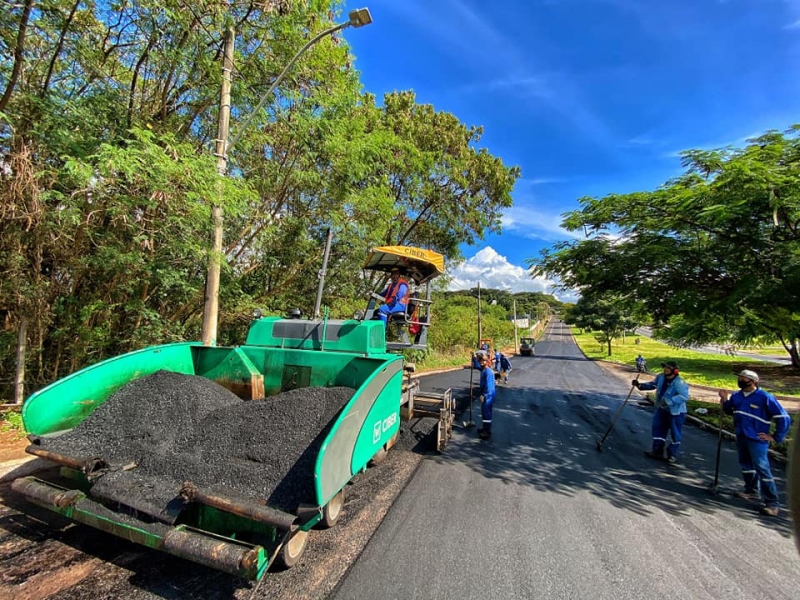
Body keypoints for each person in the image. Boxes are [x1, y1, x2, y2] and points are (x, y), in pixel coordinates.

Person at [718, 369, 791, 517]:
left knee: (762, 467)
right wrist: (724, 399)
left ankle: (772, 503)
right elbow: (729, 410)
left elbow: (784, 417)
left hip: (757, 439)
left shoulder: (765, 397)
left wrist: (776, 437)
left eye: (743, 378)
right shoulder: (737, 395)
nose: (740, 380)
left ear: (753, 381)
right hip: (742, 435)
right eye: (740, 377)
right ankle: (750, 490)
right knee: (746, 464)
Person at [633, 361, 689, 463]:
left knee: (675, 433)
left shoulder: (679, 383)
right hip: (662, 409)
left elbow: (684, 396)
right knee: (657, 428)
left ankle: (672, 454)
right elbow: (653, 385)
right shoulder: (661, 377)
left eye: (668, 368)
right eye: (665, 367)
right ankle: (657, 450)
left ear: (675, 370)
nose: (665, 369)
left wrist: (670, 401)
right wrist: (640, 386)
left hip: (676, 412)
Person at [478, 352, 496, 440]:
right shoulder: (483, 370)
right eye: (480, 360)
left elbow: (489, 386)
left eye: (483, 361)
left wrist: (484, 396)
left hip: (488, 395)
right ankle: (485, 428)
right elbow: (477, 366)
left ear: (486, 361)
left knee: (486, 412)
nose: (481, 362)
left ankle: (487, 432)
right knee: (484, 412)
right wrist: (473, 357)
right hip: (486, 394)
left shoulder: (488, 372)